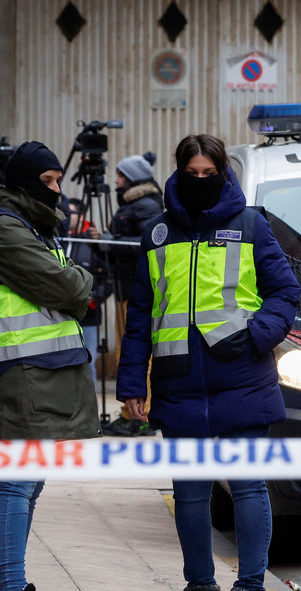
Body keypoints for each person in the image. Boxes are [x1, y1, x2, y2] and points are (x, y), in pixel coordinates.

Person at [116, 134, 299, 591]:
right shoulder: (156, 234)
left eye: (208, 173)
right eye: (192, 173)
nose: (201, 181)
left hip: (242, 377)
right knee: (191, 497)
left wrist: (258, 334)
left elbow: (285, 291)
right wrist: (132, 380)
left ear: (223, 172)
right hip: (177, 382)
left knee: (247, 488)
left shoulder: (250, 225)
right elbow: (140, 316)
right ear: (179, 172)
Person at [0, 141, 99, 591]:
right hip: (24, 377)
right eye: (47, 182)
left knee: (28, 483)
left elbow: (67, 289)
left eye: (58, 180)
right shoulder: (6, 231)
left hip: (43, 374)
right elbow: (71, 289)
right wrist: (79, 279)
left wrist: (73, 281)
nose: (58, 190)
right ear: (24, 184)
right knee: (19, 483)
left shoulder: (29, 227)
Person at [105, 152, 163, 435]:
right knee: (127, 352)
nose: (115, 181)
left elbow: (148, 242)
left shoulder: (147, 205)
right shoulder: (134, 203)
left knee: (142, 355)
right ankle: (131, 411)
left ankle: (144, 413)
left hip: (137, 289)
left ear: (132, 178)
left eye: (120, 175)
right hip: (125, 287)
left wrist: (112, 242)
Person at [64, 197, 110, 391]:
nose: (65, 217)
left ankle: (90, 406)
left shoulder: (92, 242)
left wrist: (93, 300)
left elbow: (108, 277)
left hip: (88, 316)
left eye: (70, 214)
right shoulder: (60, 239)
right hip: (62, 315)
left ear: (81, 216)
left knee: (87, 361)